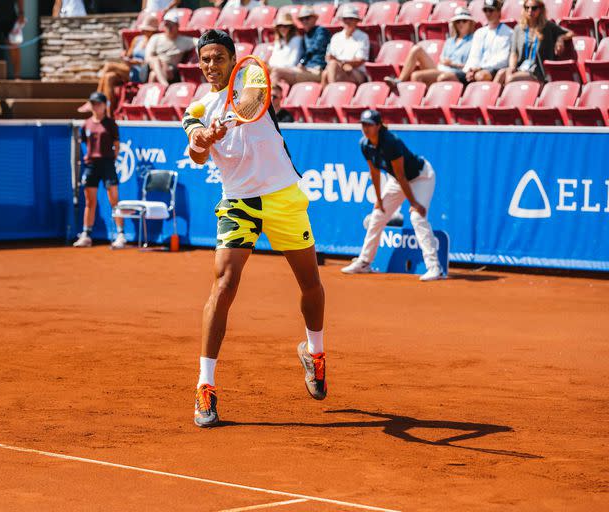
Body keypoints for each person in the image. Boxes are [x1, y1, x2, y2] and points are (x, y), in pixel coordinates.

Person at [182, 30, 327, 428]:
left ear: (232, 59)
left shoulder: (253, 77)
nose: (212, 65)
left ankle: (314, 352)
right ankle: (205, 385)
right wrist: (204, 137)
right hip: (237, 202)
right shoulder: (196, 107)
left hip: (283, 197)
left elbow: (252, 102)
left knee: (310, 283)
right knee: (224, 285)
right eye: (205, 60)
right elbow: (195, 150)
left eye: (218, 58)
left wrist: (226, 119)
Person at [341, 110, 443, 282]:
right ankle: (364, 262)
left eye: (369, 125)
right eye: (363, 124)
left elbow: (403, 176)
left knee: (417, 217)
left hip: (421, 178)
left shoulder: (391, 142)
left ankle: (435, 268)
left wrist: (414, 203)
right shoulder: (364, 144)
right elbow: (374, 172)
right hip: (397, 181)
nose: (365, 128)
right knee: (377, 216)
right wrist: (379, 200)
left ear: (379, 126)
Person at [73, 92, 126, 250]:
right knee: (90, 202)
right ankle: (86, 235)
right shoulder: (86, 124)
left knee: (114, 201)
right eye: (93, 104)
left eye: (98, 104)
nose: (96, 107)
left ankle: (120, 235)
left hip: (108, 164)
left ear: (105, 105)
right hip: (91, 166)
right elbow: (84, 143)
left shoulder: (111, 124)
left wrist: (111, 159)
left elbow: (116, 145)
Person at [384, 7, 475, 90]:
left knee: (416, 76)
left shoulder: (474, 40)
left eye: (464, 21)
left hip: (456, 73)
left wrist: (453, 64)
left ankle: (423, 100)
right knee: (416, 49)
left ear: (470, 23)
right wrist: (444, 62)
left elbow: (472, 66)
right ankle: (399, 81)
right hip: (441, 69)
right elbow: (442, 59)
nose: (461, 24)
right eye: (458, 21)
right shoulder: (450, 41)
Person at [495, 0, 573, 85]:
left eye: (534, 8)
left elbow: (570, 33)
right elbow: (513, 52)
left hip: (537, 72)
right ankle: (493, 97)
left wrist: (560, 38)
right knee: (501, 74)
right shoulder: (518, 28)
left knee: (511, 79)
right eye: (527, 8)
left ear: (540, 9)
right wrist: (512, 67)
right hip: (521, 67)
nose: (530, 11)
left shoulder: (547, 26)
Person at [93, 16, 158, 114]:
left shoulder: (156, 41)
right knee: (108, 77)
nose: (144, 31)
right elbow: (129, 55)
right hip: (130, 69)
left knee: (109, 66)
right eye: (143, 29)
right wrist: (125, 56)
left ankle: (95, 100)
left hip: (142, 72)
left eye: (147, 30)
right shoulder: (137, 40)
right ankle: (107, 113)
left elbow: (153, 61)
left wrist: (137, 62)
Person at [447, 0, 512, 84]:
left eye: (491, 10)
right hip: (477, 70)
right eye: (485, 10)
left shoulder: (509, 33)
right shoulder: (479, 32)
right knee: (446, 77)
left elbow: (503, 60)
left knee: (480, 76)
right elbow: (474, 56)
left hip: (493, 70)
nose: (488, 13)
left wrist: (480, 68)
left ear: (499, 11)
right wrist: (470, 70)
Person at [270, 6, 331, 86]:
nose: (304, 21)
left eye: (307, 18)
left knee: (277, 72)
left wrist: (302, 62)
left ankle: (271, 97)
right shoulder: (305, 35)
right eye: (302, 19)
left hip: (317, 70)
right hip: (305, 70)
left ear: (315, 19)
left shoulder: (321, 31)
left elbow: (316, 47)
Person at [321, 3, 369, 87]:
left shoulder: (363, 37)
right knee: (328, 70)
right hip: (340, 69)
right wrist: (343, 64)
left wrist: (340, 63)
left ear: (356, 21)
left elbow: (359, 61)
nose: (347, 21)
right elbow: (329, 58)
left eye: (350, 18)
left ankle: (331, 92)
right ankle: (332, 92)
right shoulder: (336, 37)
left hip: (356, 72)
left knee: (328, 70)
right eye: (345, 19)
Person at [145, 11, 196, 87]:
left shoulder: (185, 40)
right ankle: (165, 86)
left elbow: (200, 42)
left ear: (177, 25)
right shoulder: (155, 38)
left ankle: (158, 92)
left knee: (153, 75)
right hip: (156, 66)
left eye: (171, 24)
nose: (169, 27)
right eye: (166, 24)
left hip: (173, 70)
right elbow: (148, 57)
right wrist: (162, 63)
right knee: (155, 64)